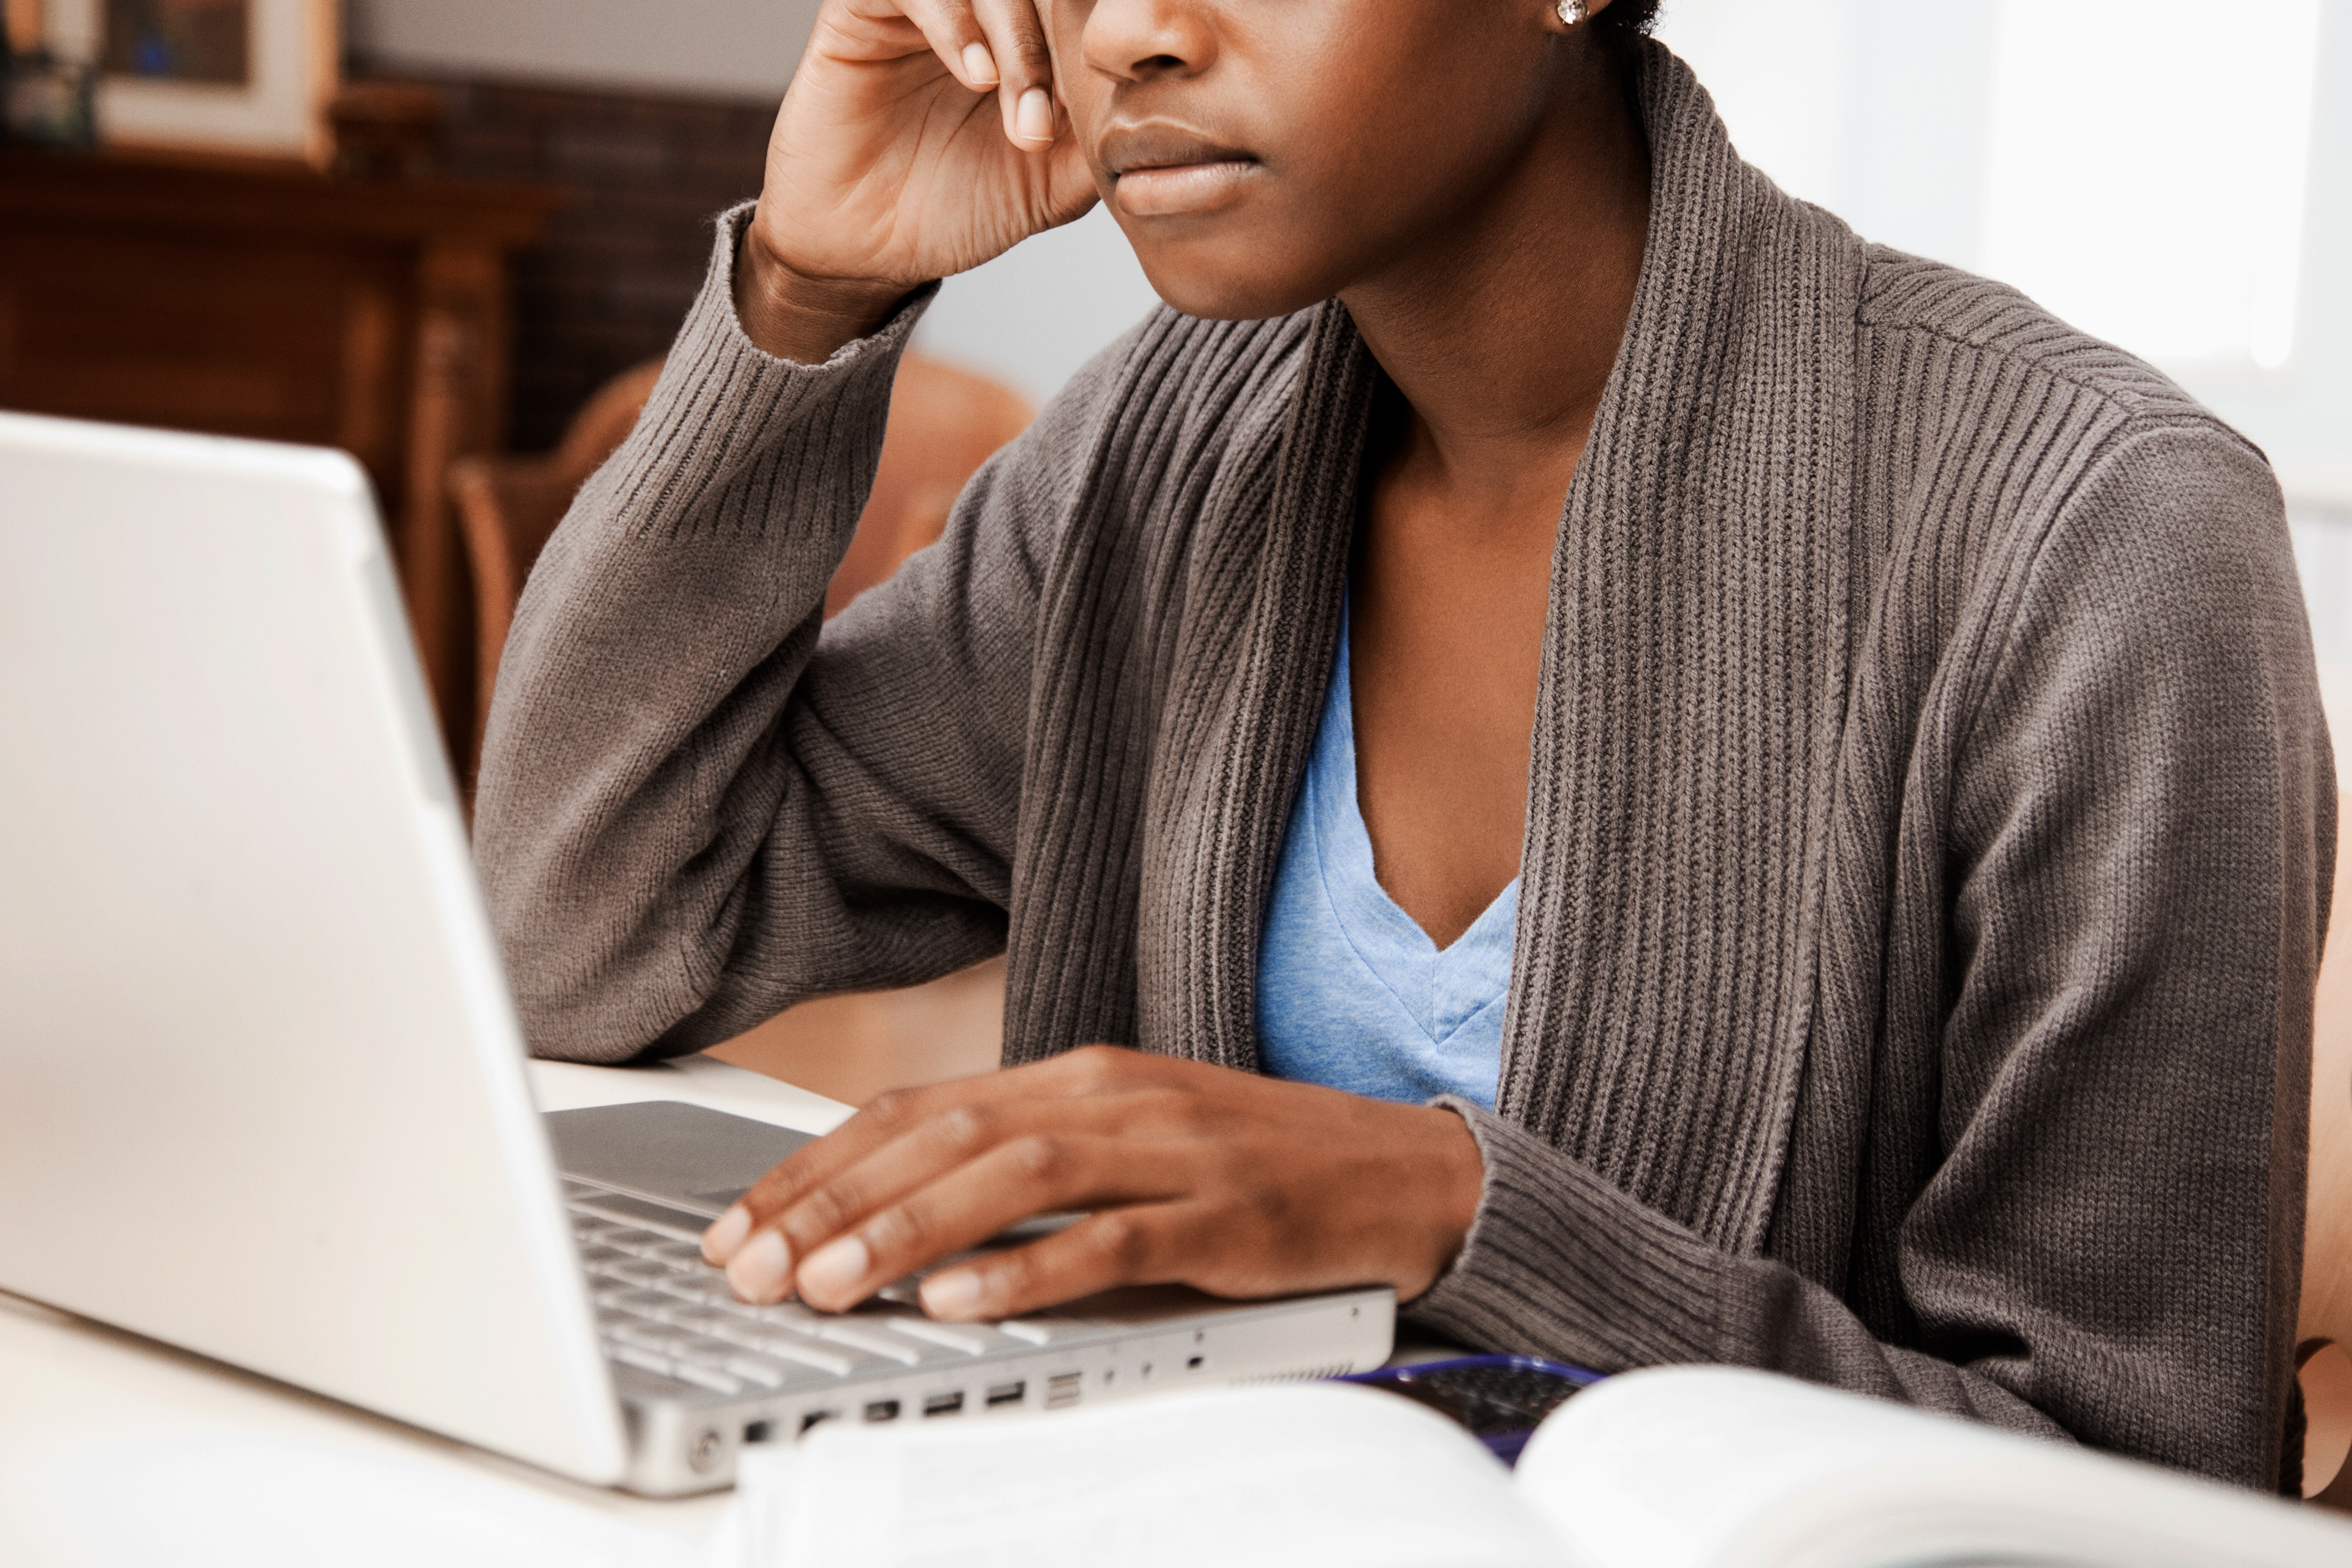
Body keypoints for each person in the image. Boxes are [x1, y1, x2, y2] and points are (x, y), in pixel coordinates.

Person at [472, 0, 2332, 1491]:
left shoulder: (2094, 535)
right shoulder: (1159, 455)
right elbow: (590, 942)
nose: (1128, 34)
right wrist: (810, 287)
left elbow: (2135, 1498)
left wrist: (1447, 1216)